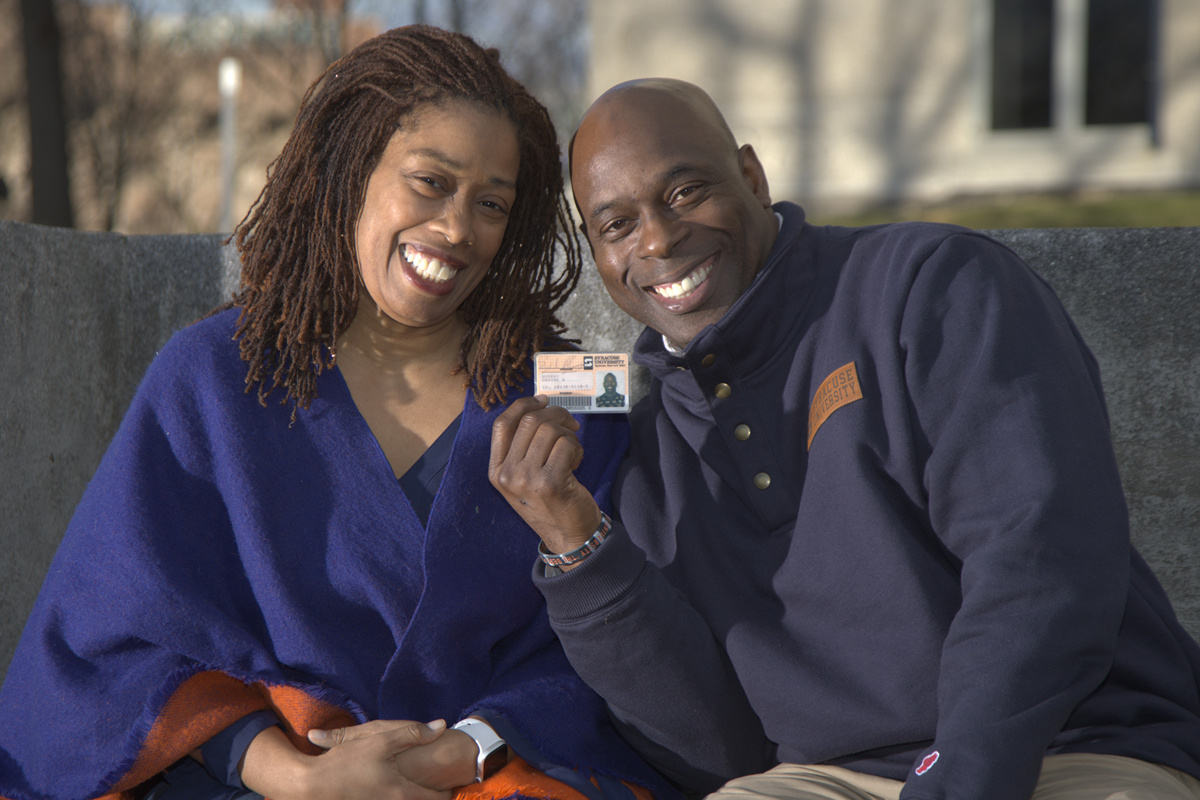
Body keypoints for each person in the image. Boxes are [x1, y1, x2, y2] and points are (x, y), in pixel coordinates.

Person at [0, 31, 678, 800]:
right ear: (350, 172)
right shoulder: (214, 370)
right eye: (430, 181)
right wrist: (296, 776)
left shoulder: (575, 384)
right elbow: (112, 637)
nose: (458, 227)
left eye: (491, 203)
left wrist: (462, 753)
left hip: (493, 772)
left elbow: (624, 634)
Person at [489, 78, 1200, 800]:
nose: (659, 239)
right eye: (617, 225)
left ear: (753, 177)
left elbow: (1041, 560)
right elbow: (719, 748)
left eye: (685, 192)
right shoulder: (651, 455)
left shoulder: (931, 287)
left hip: (1071, 750)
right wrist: (577, 544)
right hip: (821, 781)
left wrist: (955, 783)